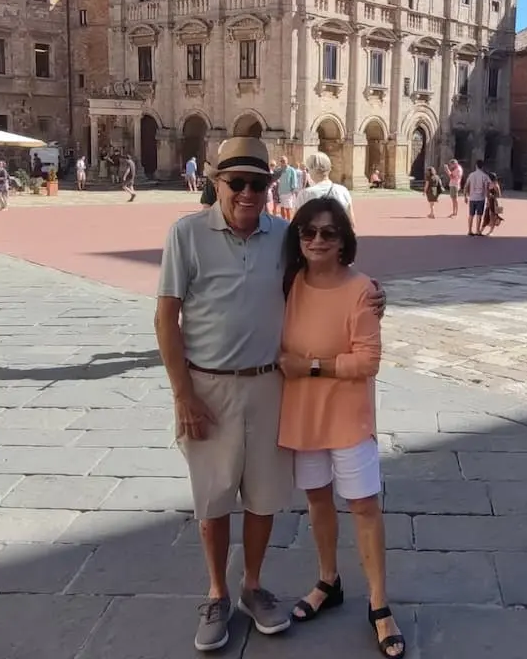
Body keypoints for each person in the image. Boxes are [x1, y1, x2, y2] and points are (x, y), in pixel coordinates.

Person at [154, 137, 385, 652]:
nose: (248, 193)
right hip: (207, 386)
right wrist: (181, 393)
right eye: (236, 183)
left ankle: (252, 585)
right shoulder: (186, 234)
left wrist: (374, 292)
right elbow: (166, 317)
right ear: (217, 184)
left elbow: (328, 272)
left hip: (269, 385)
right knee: (212, 498)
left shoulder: (285, 235)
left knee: (263, 497)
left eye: (258, 183)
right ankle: (216, 593)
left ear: (270, 186)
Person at [278, 197, 404, 658]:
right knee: (317, 500)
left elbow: (368, 361)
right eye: (308, 232)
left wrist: (310, 366)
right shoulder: (288, 283)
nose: (316, 240)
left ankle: (379, 604)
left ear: (343, 240)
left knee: (364, 506)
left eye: (328, 233)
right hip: (303, 415)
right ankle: (328, 581)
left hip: (348, 417)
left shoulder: (361, 289)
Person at [296, 152, 356, 229]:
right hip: (337, 238)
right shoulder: (343, 191)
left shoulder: (305, 194)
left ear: (312, 170)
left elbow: (296, 225)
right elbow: (352, 224)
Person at [463, 160, 490, 236]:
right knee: (479, 215)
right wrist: (488, 199)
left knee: (471, 214)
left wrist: (465, 196)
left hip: (472, 197)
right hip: (481, 198)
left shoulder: (471, 175)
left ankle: (469, 230)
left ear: (476, 166)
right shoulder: (485, 176)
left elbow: (466, 186)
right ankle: (478, 230)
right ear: (483, 166)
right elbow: (486, 188)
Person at [276, 156, 299, 221]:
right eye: (281, 161)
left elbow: (294, 181)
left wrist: (292, 190)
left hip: (288, 192)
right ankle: (283, 222)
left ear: (287, 161)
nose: (282, 162)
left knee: (288, 209)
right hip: (280, 192)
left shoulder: (291, 170)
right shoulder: (279, 170)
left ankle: (289, 223)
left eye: (283, 161)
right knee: (282, 208)